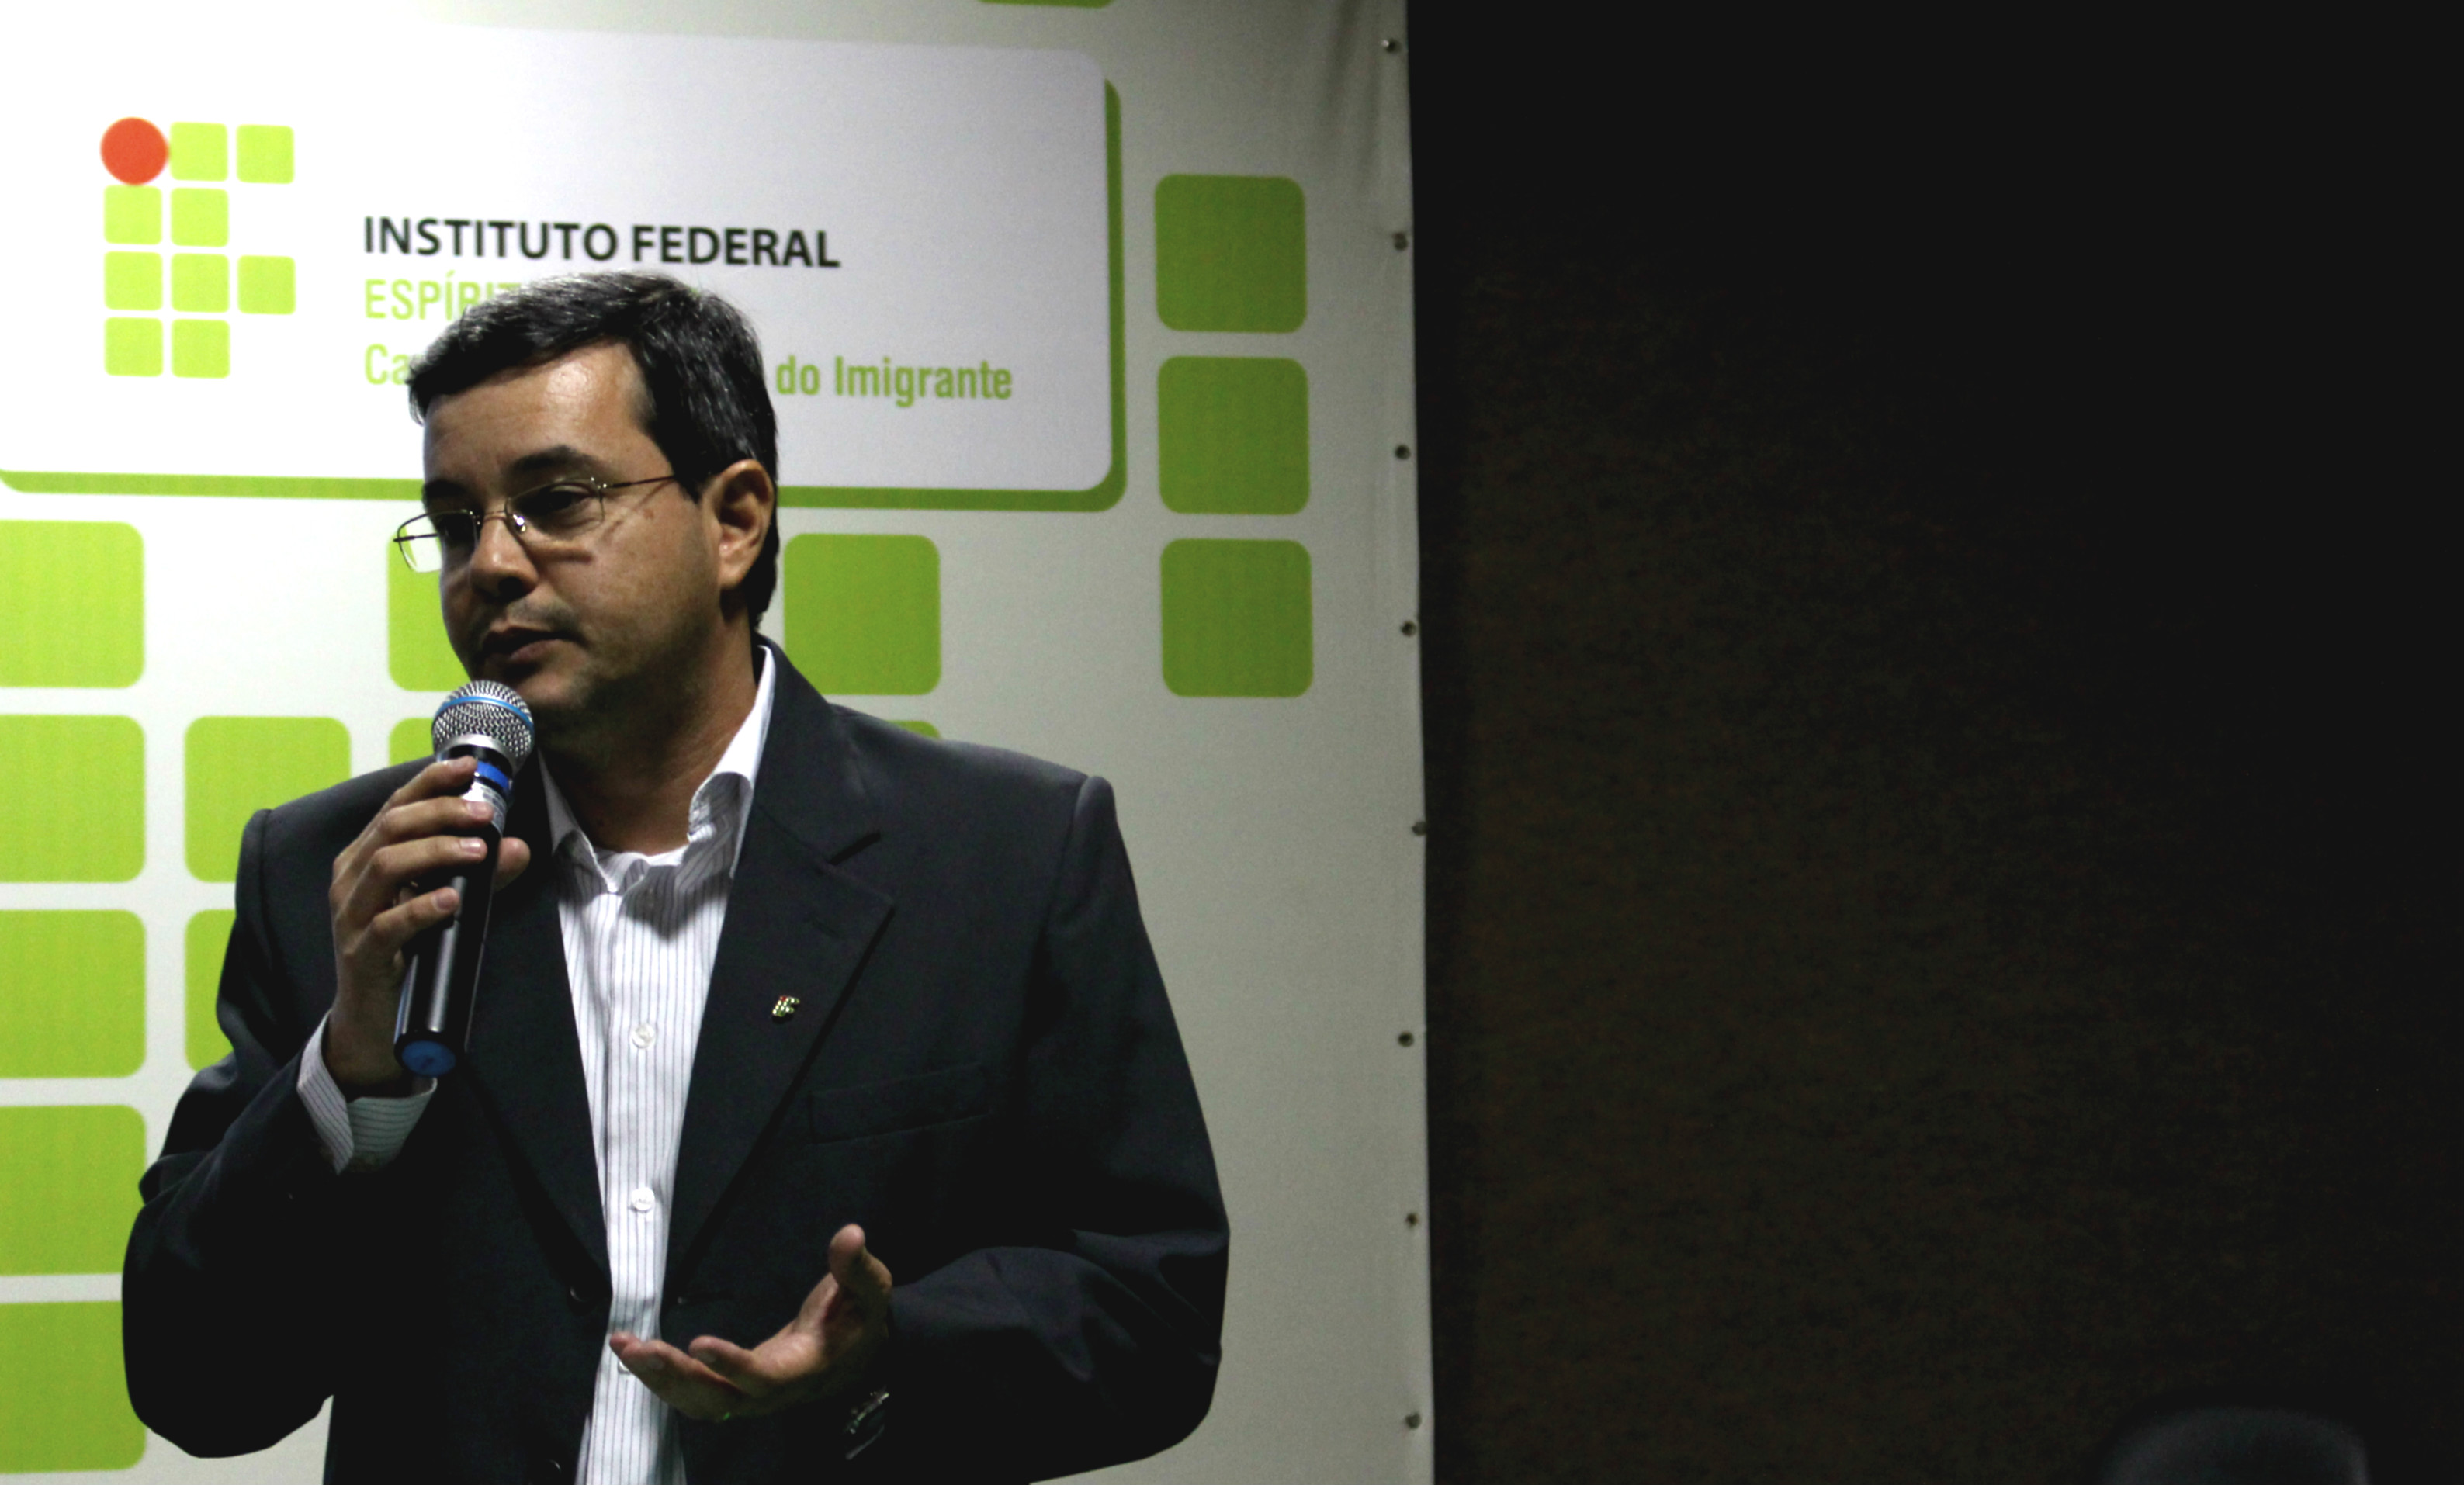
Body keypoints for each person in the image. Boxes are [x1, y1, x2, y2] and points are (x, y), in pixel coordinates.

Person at [122, 272, 1229, 1484]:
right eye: (455, 521)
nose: (491, 564)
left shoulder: (1002, 857)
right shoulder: (348, 887)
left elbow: (1153, 1310)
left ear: (735, 519)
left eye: (555, 501)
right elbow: (194, 1381)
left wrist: (890, 1349)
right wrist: (347, 1077)